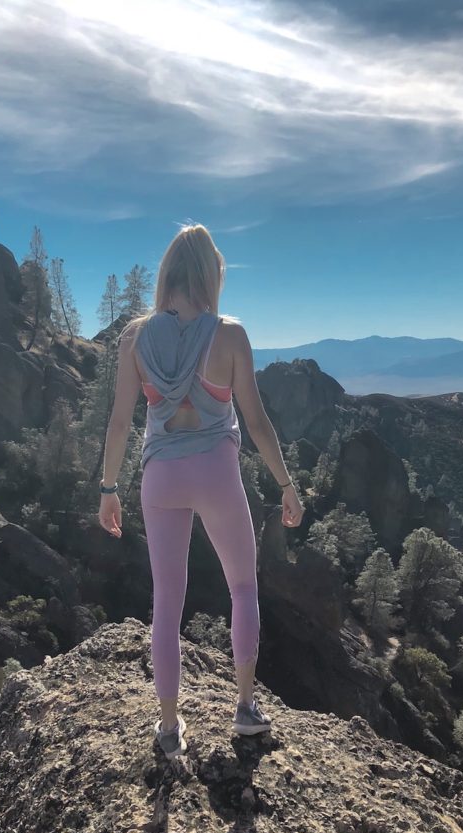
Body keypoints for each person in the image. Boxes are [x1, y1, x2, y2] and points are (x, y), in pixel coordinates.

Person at [98, 224, 304, 759]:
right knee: (241, 587)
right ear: (210, 275)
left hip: (160, 476)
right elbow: (257, 421)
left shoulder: (134, 338)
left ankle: (168, 730)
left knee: (166, 602)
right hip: (216, 471)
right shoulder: (229, 334)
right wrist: (286, 485)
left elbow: (120, 422)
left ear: (168, 272)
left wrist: (107, 488)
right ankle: (245, 709)